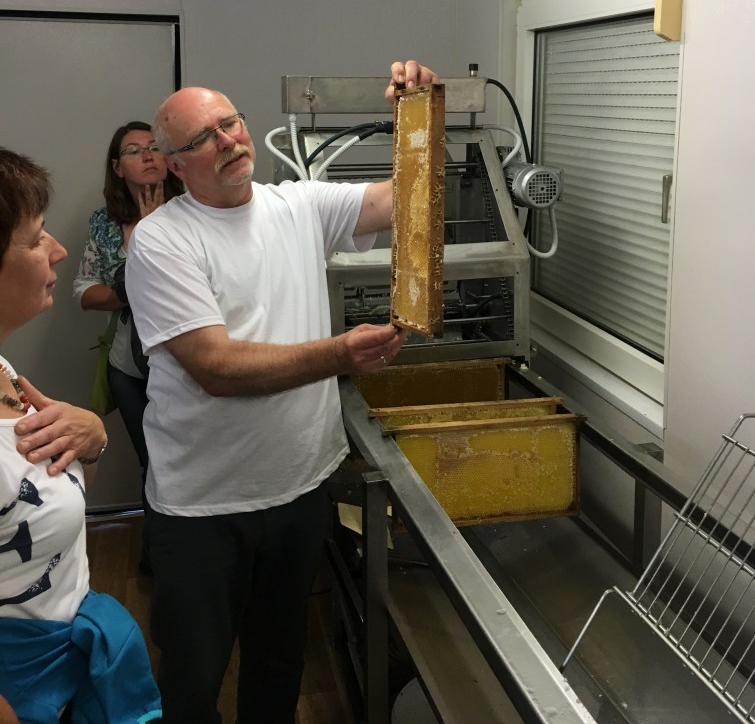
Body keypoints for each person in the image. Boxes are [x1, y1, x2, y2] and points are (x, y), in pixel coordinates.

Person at [125, 59, 439, 723]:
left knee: (278, 661)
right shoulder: (161, 241)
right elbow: (216, 368)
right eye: (203, 138)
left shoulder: (297, 205)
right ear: (174, 165)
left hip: (297, 488)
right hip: (203, 507)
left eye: (230, 123)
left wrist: (417, 117)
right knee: (193, 676)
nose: (228, 140)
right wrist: (338, 354)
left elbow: (404, 197)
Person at [0, 147, 161, 723]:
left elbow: (39, 497)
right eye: (36, 238)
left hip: (66, 673)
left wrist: (90, 439)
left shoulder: (6, 371)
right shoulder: (107, 221)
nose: (57, 249)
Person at [73, 121, 184, 571]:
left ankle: (184, 557)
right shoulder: (104, 224)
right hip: (129, 366)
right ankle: (157, 560)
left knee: (184, 459)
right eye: (135, 150)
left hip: (185, 361)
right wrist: (129, 289)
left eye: (155, 147)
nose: (148, 156)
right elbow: (84, 291)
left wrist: (155, 232)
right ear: (118, 167)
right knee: (152, 461)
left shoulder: (194, 209)